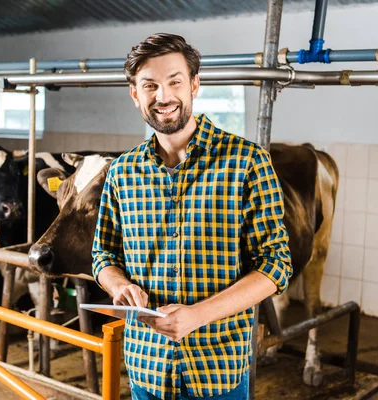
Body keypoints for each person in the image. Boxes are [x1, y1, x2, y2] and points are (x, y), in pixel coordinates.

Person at [92, 33, 293, 400]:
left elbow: (276, 265)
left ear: (195, 85)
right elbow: (103, 255)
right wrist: (118, 285)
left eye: (174, 82)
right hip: (146, 369)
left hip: (217, 371)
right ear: (135, 94)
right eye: (149, 85)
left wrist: (197, 315)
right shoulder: (122, 172)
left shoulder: (246, 162)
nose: (163, 96)